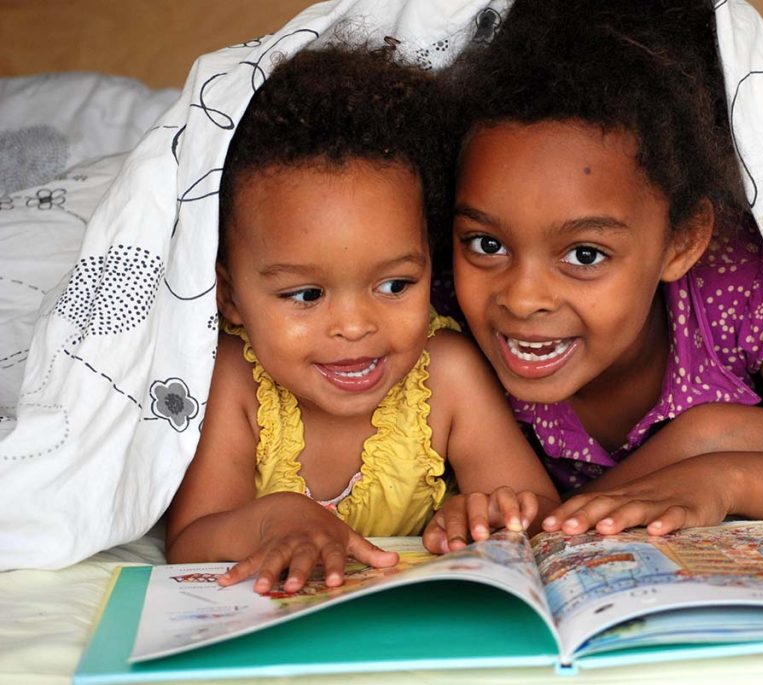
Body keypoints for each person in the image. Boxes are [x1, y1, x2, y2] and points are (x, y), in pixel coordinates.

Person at [430, 0, 763, 546]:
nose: (522, 298)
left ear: (682, 242)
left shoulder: (732, 289)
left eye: (585, 254)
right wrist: (697, 440)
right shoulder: (436, 315)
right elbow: (542, 530)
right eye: (486, 243)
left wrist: (724, 476)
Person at [165, 45, 558, 594]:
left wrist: (486, 510)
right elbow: (190, 539)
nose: (354, 326)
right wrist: (274, 518)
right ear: (229, 296)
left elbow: (537, 508)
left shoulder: (446, 372)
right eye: (305, 294)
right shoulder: (236, 380)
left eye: (395, 285)